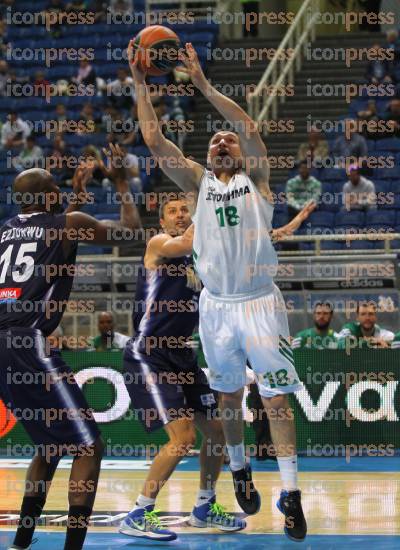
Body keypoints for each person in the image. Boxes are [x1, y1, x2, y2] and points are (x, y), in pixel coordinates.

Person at [128, 40, 308, 541]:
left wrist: (204, 86)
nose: (223, 143)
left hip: (259, 303)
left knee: (275, 401)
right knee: (227, 397)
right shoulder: (197, 184)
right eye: (215, 142)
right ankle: (239, 468)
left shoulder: (258, 181)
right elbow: (155, 140)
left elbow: (248, 129)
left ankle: (290, 492)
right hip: (216, 307)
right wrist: (141, 85)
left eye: (228, 141)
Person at [2, 144, 141, 550]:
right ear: (48, 198)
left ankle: (22, 541)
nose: (63, 193)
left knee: (49, 445)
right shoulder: (67, 223)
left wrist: (73, 201)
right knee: (88, 446)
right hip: (28, 340)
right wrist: (119, 182)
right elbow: (130, 231)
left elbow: (49, 238)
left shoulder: (5, 229)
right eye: (57, 190)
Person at [120, 196, 245, 540]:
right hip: (150, 353)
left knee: (217, 431)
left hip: (183, 356)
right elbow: (189, 240)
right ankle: (139, 511)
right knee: (183, 438)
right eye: (172, 211)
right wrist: (208, 203)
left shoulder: (199, 262)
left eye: (184, 210)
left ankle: (204, 507)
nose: (180, 215)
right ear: (162, 222)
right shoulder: (159, 244)